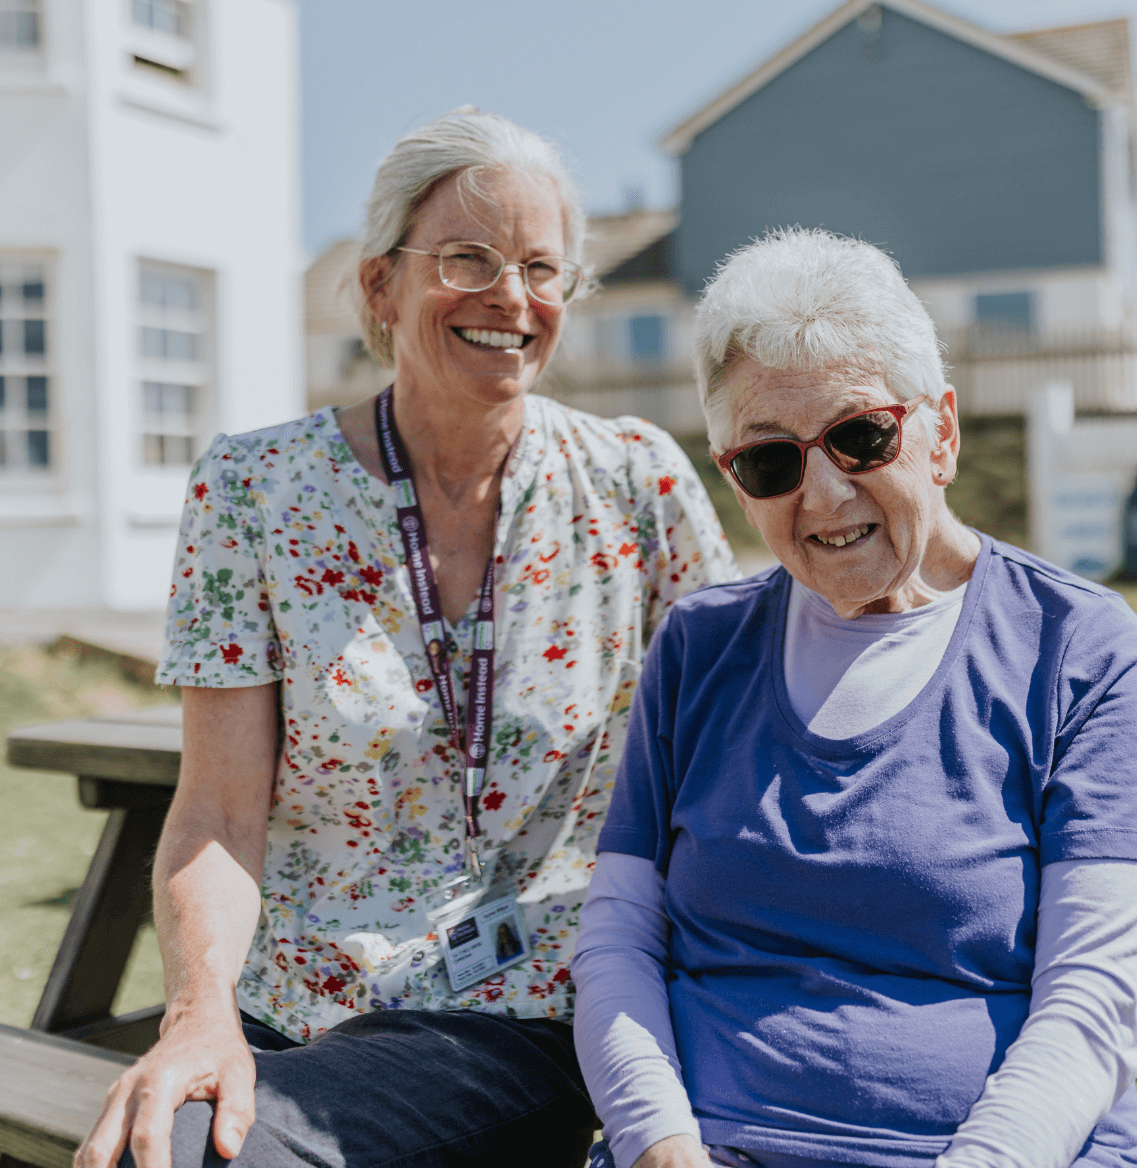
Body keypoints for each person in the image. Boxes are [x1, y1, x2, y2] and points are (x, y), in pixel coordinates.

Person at [75, 107, 738, 1168]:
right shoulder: (254, 489)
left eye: (539, 269)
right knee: (163, 1136)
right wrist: (197, 1011)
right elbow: (215, 811)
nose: (510, 300)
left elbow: (739, 740)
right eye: (466, 260)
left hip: (525, 1013)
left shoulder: (635, 481)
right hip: (290, 1006)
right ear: (379, 287)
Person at [572, 228, 1137, 1168]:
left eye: (861, 436)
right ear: (732, 480)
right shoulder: (700, 647)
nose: (825, 495)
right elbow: (618, 942)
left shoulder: (1080, 647)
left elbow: (1091, 1005)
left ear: (940, 432)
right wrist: (659, 1143)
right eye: (771, 461)